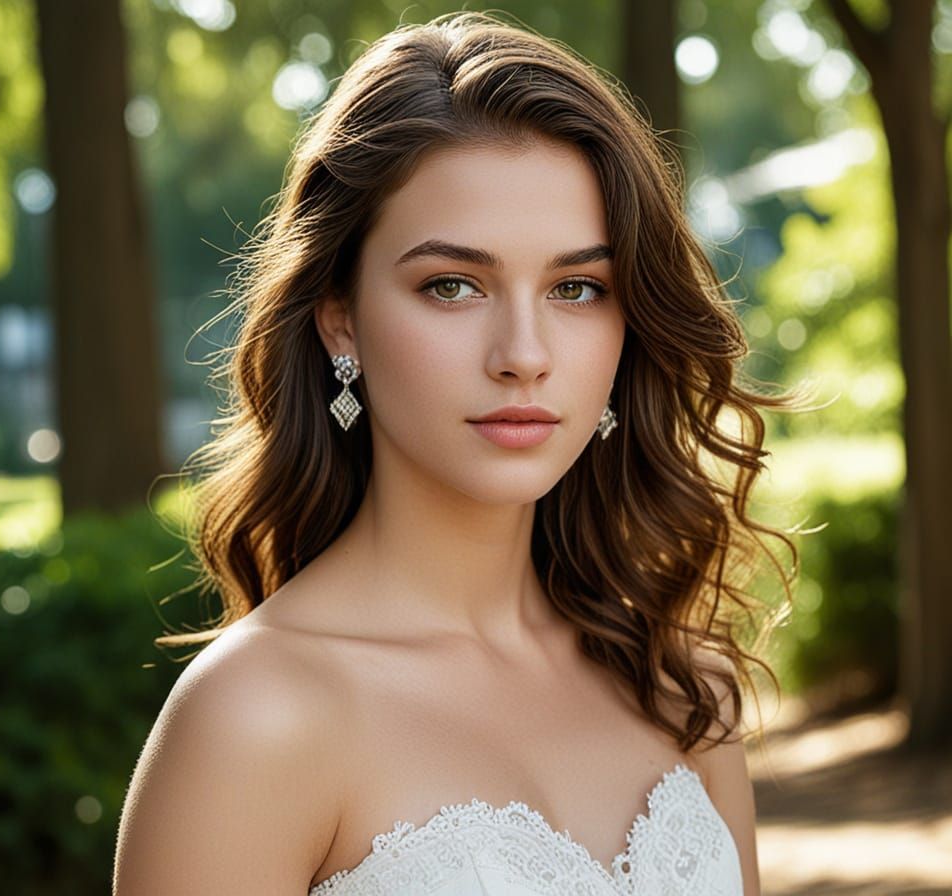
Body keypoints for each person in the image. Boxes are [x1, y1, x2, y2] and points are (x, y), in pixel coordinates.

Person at [113, 10, 797, 895]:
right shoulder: (257, 717)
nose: (523, 351)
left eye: (578, 288)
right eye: (453, 285)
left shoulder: (680, 687)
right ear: (341, 321)